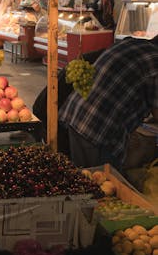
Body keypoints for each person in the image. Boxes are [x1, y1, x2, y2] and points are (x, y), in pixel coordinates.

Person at [59, 36, 158, 170]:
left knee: (85, 177)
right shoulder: (154, 60)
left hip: (77, 115)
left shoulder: (130, 42)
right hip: (99, 130)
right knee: (101, 183)